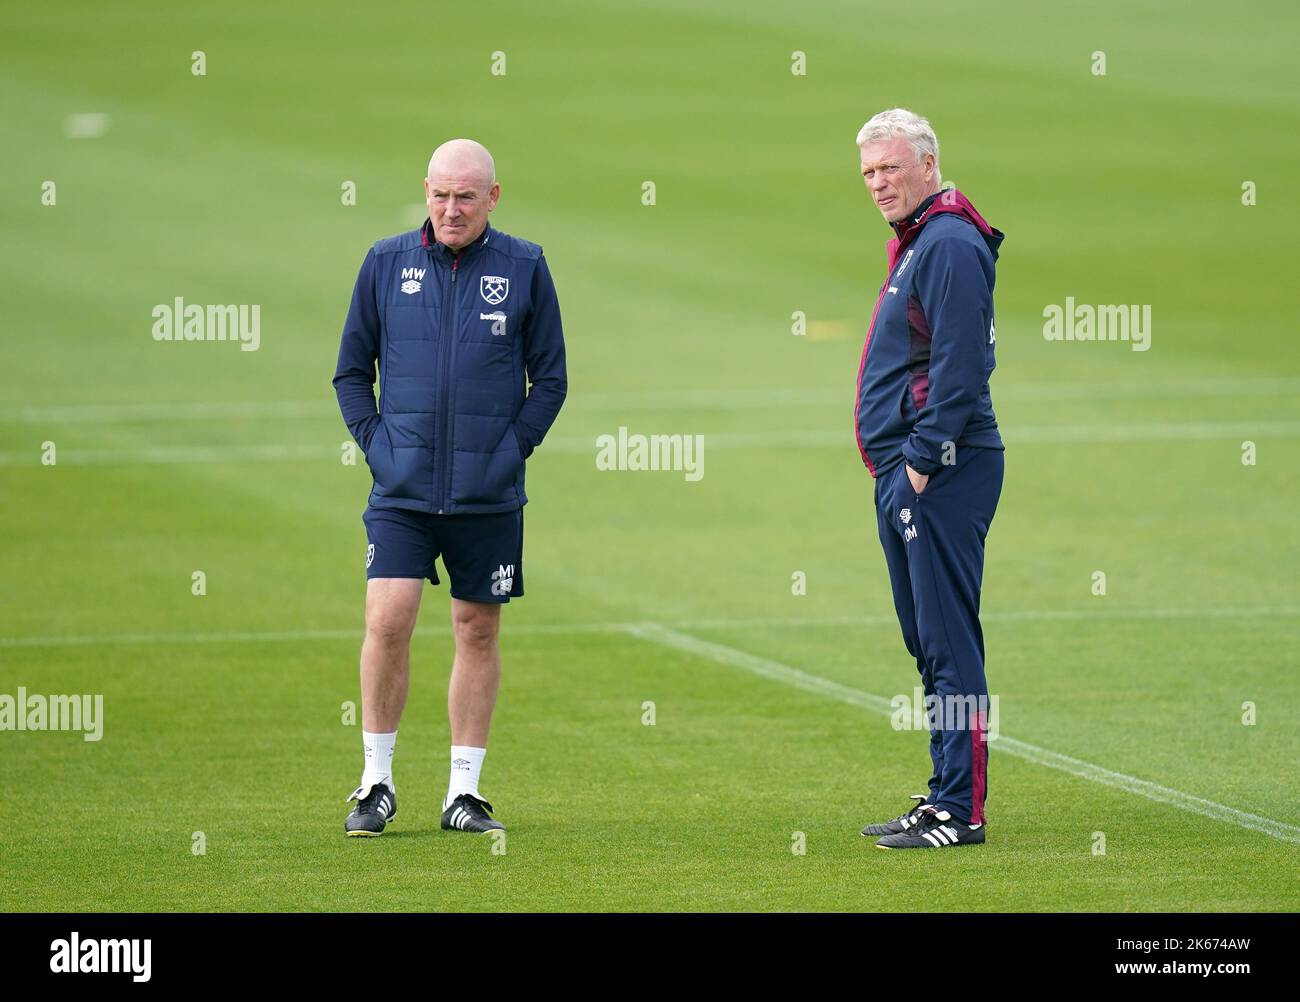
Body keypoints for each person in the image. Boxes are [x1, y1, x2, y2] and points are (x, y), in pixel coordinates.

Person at [332, 139, 567, 836]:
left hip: (487, 496)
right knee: (388, 619)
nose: (451, 209)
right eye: (440, 194)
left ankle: (463, 793)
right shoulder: (385, 262)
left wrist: (509, 451)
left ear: (493, 197)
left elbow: (549, 378)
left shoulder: (524, 266)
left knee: (476, 629)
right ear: (424, 191)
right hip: (402, 492)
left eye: (466, 196)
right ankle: (375, 783)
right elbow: (351, 372)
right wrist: (380, 448)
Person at [851, 109, 1006, 849]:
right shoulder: (921, 241)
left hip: (940, 471)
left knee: (948, 643)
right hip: (911, 471)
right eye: (870, 173)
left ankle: (960, 811)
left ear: (928, 163)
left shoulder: (947, 244)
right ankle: (945, 791)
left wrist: (919, 462)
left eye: (890, 168)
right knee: (928, 641)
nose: (879, 183)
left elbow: (962, 370)